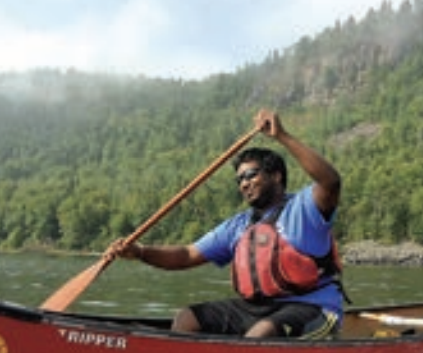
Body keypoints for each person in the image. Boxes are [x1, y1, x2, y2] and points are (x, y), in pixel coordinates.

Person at [107, 109, 343, 339]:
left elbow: (330, 182)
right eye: (239, 179)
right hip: (258, 309)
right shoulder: (238, 226)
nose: (244, 184)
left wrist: (282, 136)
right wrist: (140, 252)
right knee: (187, 319)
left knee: (260, 334)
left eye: (251, 174)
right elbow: (187, 255)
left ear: (276, 175)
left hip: (313, 309)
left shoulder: (304, 210)